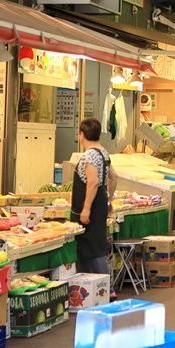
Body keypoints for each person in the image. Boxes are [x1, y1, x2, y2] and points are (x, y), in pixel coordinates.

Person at [72, 117, 117, 275]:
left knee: (90, 249)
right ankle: (106, 287)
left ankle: (97, 287)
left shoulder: (89, 155)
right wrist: (109, 200)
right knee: (98, 246)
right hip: (100, 206)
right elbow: (114, 177)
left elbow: (93, 182)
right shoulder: (103, 153)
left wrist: (86, 209)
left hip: (90, 210)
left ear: (82, 134)